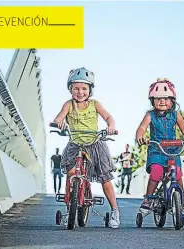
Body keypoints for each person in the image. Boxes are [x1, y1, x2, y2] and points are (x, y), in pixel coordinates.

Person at [52, 67, 120, 228]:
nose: (80, 92)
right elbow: (59, 117)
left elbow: (108, 116)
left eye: (84, 88)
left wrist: (110, 125)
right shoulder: (68, 105)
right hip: (75, 145)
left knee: (105, 178)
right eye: (76, 88)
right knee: (70, 173)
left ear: (90, 90)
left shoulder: (95, 104)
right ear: (70, 89)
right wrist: (59, 123)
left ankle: (115, 211)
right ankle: (71, 205)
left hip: (95, 145)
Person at [136, 78, 184, 214]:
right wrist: (140, 137)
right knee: (156, 172)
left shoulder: (176, 115)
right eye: (158, 99)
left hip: (173, 151)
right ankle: (148, 199)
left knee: (177, 172)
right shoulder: (150, 115)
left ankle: (182, 196)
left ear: (172, 101)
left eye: (166, 98)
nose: (162, 101)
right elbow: (141, 128)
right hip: (156, 151)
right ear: (152, 101)